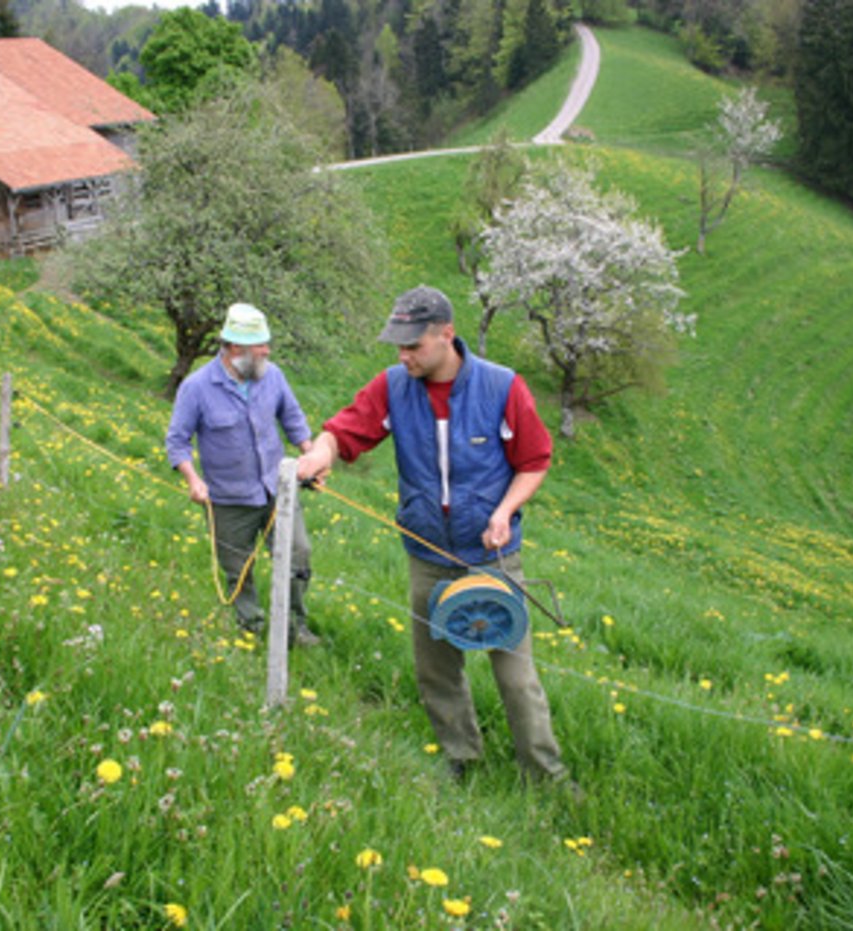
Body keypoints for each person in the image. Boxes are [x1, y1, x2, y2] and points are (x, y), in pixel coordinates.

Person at [296, 285, 567, 782]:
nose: (404, 356)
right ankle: (462, 759)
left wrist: (505, 511)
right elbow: (345, 431)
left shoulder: (503, 387)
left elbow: (534, 461)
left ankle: (545, 774)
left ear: (447, 335)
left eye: (413, 345)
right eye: (398, 346)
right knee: (436, 668)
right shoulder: (393, 387)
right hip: (426, 552)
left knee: (516, 675)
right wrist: (320, 452)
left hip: (492, 554)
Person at [166, 303, 319, 646]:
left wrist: (311, 454)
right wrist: (193, 479)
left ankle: (296, 627)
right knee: (238, 570)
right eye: (260, 345)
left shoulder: (272, 375)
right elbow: (176, 441)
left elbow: (293, 419)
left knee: (298, 555)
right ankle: (251, 628)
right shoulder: (197, 387)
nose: (267, 350)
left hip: (277, 491)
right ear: (235, 348)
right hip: (228, 499)